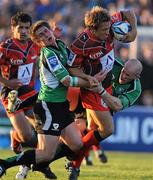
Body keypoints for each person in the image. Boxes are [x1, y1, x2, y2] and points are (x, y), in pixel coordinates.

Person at [0, 20, 98, 179]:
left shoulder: (60, 45)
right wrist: (89, 81)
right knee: (45, 153)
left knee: (77, 144)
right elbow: (66, 80)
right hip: (48, 106)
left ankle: (41, 163)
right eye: (41, 35)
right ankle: (5, 163)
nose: (45, 35)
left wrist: (89, 77)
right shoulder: (49, 54)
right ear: (39, 42)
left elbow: (73, 68)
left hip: (61, 105)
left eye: (46, 31)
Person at [65, 5, 137, 179]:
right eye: (104, 30)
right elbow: (72, 68)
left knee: (92, 128)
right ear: (92, 28)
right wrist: (88, 79)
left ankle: (74, 164)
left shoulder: (109, 23)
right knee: (107, 129)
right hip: (93, 88)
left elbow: (128, 12)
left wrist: (132, 31)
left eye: (109, 28)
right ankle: (72, 156)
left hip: (107, 83)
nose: (109, 32)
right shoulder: (81, 43)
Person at [0, 12, 57, 179]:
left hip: (31, 94)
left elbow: (50, 45)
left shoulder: (34, 45)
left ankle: (39, 164)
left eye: (27, 27)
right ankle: (16, 137)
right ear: (12, 29)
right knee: (26, 135)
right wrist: (6, 82)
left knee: (42, 130)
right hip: (12, 96)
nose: (24, 31)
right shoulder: (6, 47)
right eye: (20, 28)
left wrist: (54, 33)